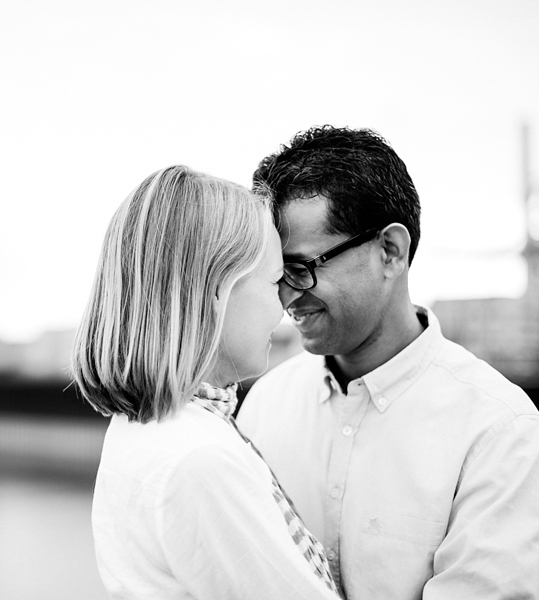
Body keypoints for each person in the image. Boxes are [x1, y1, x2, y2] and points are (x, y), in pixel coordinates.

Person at [236, 125, 539, 600]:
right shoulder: (265, 404)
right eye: (276, 274)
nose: (287, 298)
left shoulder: (498, 430)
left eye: (301, 268)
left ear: (390, 251)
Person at [72, 165, 340, 599]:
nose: (287, 302)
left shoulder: (150, 429)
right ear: (218, 288)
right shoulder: (199, 462)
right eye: (276, 282)